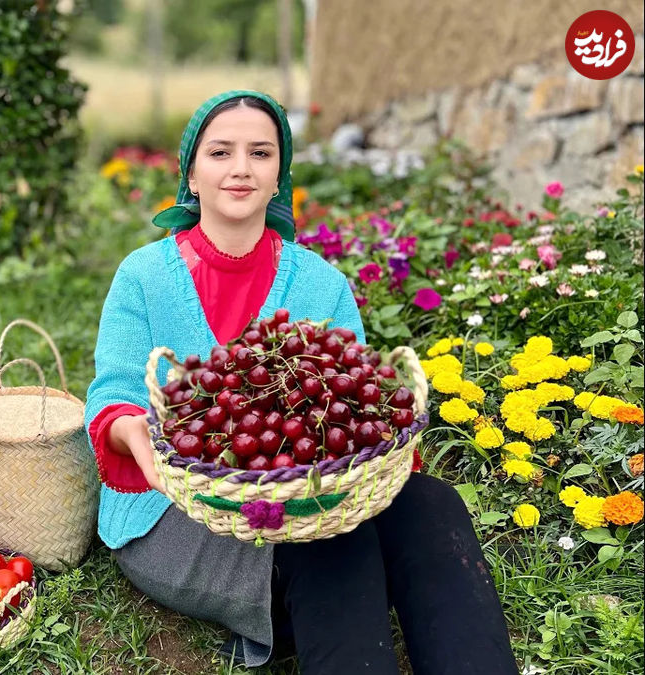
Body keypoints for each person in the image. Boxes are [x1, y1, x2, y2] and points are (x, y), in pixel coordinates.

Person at [84, 90, 518, 674]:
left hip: (308, 496)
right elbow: (113, 395)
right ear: (191, 172)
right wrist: (139, 440)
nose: (240, 168)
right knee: (333, 539)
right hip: (183, 510)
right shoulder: (144, 276)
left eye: (260, 153)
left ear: (279, 174)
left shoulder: (321, 285)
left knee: (428, 504)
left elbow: (359, 409)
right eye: (220, 152)